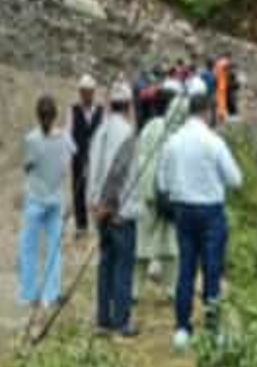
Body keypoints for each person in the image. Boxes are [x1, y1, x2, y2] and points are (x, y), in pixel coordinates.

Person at [155, 78, 242, 349]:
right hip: (211, 211)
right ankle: (213, 329)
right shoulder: (214, 142)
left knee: (186, 270)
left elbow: (162, 183)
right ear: (206, 112)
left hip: (183, 211)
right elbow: (235, 179)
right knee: (212, 270)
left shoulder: (173, 142)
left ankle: (182, 329)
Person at [86, 81, 142, 337]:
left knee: (105, 263)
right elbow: (117, 172)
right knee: (122, 265)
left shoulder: (100, 131)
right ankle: (121, 321)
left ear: (110, 104)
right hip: (119, 211)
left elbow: (92, 170)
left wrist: (95, 205)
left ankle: (103, 318)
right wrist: (108, 206)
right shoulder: (128, 134)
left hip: (100, 209)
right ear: (129, 106)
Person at [18, 96, 75, 310]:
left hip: (35, 198)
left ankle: (28, 294)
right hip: (55, 198)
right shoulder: (63, 138)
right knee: (54, 249)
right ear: (55, 115)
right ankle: (51, 294)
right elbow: (69, 162)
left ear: (37, 115)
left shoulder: (31, 139)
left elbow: (27, 167)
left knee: (29, 248)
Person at [132, 74, 188, 291]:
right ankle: (143, 288)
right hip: (155, 194)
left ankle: (166, 288)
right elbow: (141, 157)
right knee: (150, 245)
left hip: (161, 196)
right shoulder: (160, 129)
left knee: (166, 246)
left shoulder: (159, 129)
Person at [67, 75, 104, 237]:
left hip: (96, 156)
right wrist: (73, 153)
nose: (86, 95)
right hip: (79, 155)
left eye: (89, 92)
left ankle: (98, 223)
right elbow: (68, 134)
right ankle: (81, 226)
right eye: (83, 92)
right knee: (78, 190)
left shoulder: (100, 111)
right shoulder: (73, 110)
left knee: (97, 190)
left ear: (93, 92)